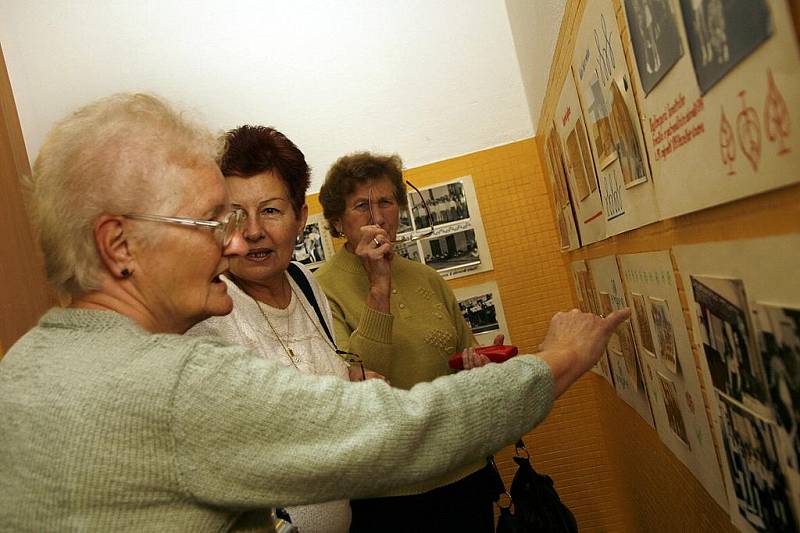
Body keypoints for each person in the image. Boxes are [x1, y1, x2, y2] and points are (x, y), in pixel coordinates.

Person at [0, 93, 628, 532]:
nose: (236, 240)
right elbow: (402, 429)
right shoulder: (174, 381)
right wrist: (560, 359)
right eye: (211, 221)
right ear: (119, 246)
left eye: (262, 214)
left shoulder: (25, 364)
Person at [187, 125, 392, 532]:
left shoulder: (304, 282)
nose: (252, 231)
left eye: (270, 210)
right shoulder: (207, 310)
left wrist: (349, 383)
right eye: (234, 214)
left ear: (300, 217)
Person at [314, 152, 499, 531]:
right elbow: (361, 383)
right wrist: (378, 286)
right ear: (337, 221)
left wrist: (476, 365)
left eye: (386, 202)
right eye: (361, 206)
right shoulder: (320, 289)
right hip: (387, 491)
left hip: (462, 468)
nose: (378, 217)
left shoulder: (425, 277)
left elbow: (465, 351)